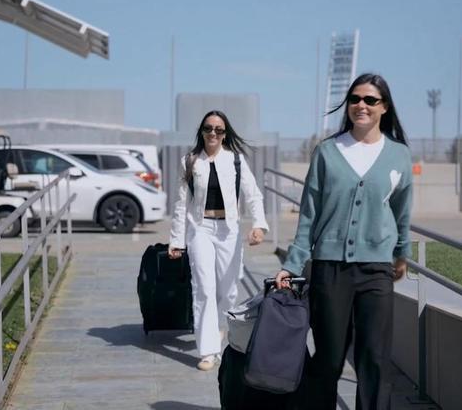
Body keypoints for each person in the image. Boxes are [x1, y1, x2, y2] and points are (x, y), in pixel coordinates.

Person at [275, 73, 413, 409]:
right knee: (328, 359)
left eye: (369, 100)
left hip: (377, 269)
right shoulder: (327, 152)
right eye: (355, 99)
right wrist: (293, 263)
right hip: (330, 269)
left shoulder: (398, 155)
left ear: (384, 107)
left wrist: (401, 254)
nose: (360, 105)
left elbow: (402, 212)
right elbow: (309, 213)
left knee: (375, 359)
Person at [168, 110, 269, 371]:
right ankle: (209, 350)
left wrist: (259, 225)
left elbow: (253, 194)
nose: (213, 133)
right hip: (200, 229)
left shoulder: (235, 160)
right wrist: (177, 240)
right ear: (201, 131)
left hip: (229, 230)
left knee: (228, 288)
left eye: (219, 129)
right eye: (208, 128)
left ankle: (220, 328)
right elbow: (182, 204)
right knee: (203, 288)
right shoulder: (190, 161)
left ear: (225, 134)